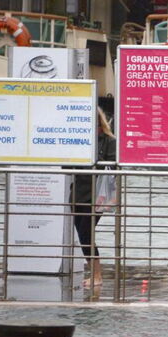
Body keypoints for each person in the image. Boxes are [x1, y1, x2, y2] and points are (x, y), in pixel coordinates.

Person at [71, 107, 117, 288]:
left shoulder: (109, 141)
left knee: (86, 233)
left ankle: (97, 275)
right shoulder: (77, 140)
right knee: (82, 235)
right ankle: (94, 274)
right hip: (78, 192)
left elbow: (112, 168)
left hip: (97, 195)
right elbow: (67, 166)